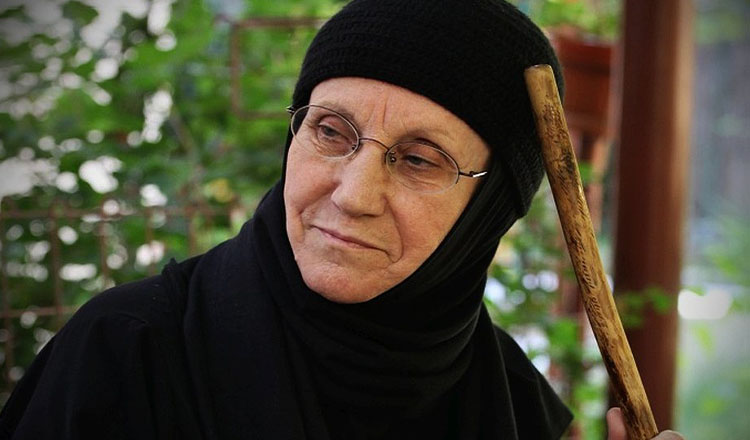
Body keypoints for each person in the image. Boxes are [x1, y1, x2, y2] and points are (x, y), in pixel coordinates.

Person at [0, 0, 684, 439]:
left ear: (487, 214)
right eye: (331, 131)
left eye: (420, 160)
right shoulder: (126, 356)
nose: (354, 194)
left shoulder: (513, 407)